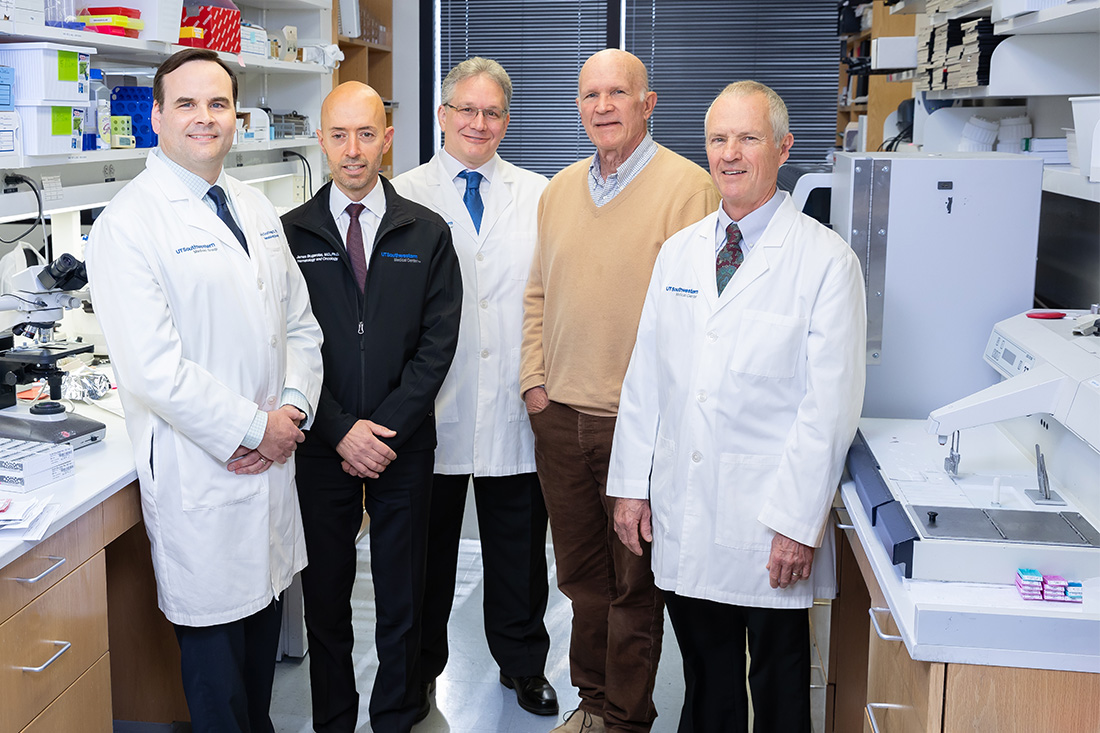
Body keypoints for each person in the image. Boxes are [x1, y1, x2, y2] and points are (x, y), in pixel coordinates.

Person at [607, 81, 867, 733]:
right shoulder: (682, 251)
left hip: (767, 522)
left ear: (783, 147)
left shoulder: (825, 261)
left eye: (748, 138)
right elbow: (647, 378)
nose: (730, 153)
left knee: (779, 687)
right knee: (707, 681)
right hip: (687, 509)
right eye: (718, 139)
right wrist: (632, 488)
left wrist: (796, 521)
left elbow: (829, 406)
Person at [86, 48, 324, 733]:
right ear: (156, 116)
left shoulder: (254, 207)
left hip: (269, 471)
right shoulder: (129, 223)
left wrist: (293, 408)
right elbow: (155, 369)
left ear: (236, 118)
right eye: (185, 103)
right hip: (205, 477)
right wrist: (256, 428)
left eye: (218, 104)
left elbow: (300, 327)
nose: (204, 117)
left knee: (258, 678)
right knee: (217, 689)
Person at [519, 49, 719, 733]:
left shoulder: (689, 189)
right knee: (580, 577)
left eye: (617, 93)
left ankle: (626, 718)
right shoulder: (559, 190)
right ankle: (593, 700)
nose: (602, 106)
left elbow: (701, 318)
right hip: (562, 415)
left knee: (635, 582)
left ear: (647, 103)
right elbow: (538, 291)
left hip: (640, 426)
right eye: (589, 95)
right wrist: (535, 383)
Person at [281, 81, 462, 733]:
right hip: (322, 447)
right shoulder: (291, 235)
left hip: (402, 444)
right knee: (326, 602)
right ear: (321, 140)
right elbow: (281, 345)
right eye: (339, 135)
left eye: (366, 134)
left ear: (387, 138)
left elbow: (438, 346)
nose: (353, 150)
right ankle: (333, 720)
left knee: (401, 600)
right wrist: (337, 430)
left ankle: (395, 717)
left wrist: (380, 430)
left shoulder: (427, 232)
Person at [391, 57, 557, 717]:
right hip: (429, 406)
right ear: (442, 115)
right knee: (423, 558)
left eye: (492, 112)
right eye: (467, 109)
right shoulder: (401, 195)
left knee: (518, 550)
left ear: (507, 121)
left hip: (515, 401)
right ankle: (420, 670)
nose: (479, 122)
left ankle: (523, 664)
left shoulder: (542, 195)